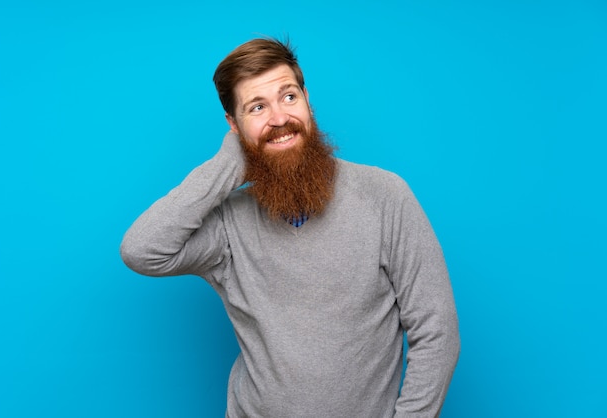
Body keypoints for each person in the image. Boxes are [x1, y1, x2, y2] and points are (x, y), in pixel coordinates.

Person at [121, 37, 460, 418]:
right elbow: (142, 250)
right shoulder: (229, 226)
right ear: (233, 125)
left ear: (307, 99)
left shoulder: (385, 197)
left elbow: (437, 332)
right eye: (257, 107)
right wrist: (229, 162)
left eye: (288, 97)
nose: (279, 119)